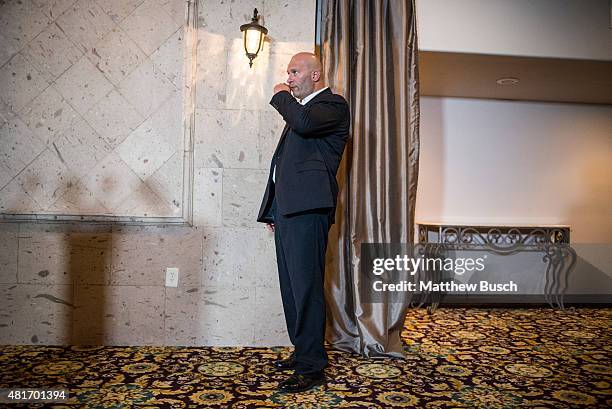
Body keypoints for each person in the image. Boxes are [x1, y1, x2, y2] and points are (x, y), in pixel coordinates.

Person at [257, 52, 350, 393]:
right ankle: (302, 352)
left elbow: (304, 123)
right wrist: (275, 208)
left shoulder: (332, 105)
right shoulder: (302, 112)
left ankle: (312, 367)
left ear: (315, 75)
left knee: (307, 288)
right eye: (287, 73)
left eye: (295, 72)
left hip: (310, 211)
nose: (289, 77)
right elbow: (286, 163)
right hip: (288, 212)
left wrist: (280, 94)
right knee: (292, 288)